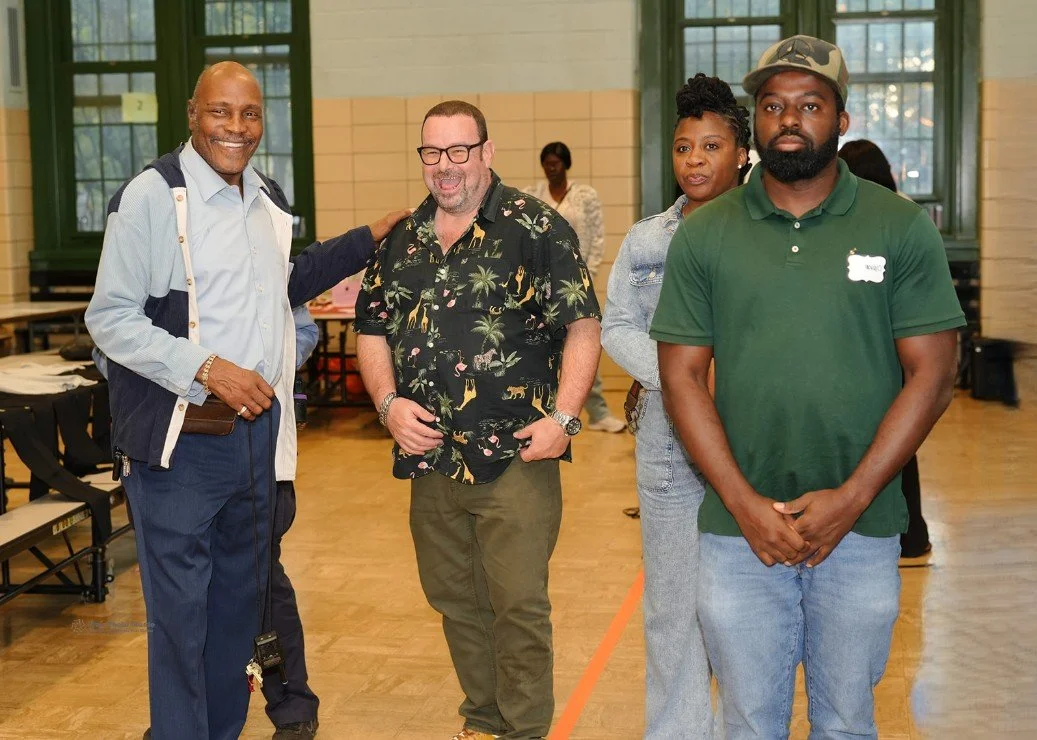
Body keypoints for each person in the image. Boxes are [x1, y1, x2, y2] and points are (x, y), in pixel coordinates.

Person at [650, 36, 965, 737]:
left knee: (847, 721)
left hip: (861, 527)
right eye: (772, 106)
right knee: (749, 721)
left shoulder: (896, 226)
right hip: (740, 532)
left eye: (809, 104)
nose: (789, 119)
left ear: (841, 119)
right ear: (754, 123)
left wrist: (852, 498)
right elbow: (681, 378)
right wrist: (742, 502)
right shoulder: (707, 236)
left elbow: (933, 373)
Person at [85, 61, 408, 740]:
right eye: (220, 112)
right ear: (191, 113)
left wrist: (368, 237)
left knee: (238, 611)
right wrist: (206, 367)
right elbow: (111, 318)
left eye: (250, 114)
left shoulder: (265, 197)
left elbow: (283, 282)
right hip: (180, 443)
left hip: (256, 442)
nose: (236, 127)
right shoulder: (149, 197)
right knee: (181, 619)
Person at [354, 100, 601, 740]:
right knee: (455, 600)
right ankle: (483, 718)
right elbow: (373, 329)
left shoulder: (536, 228)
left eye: (459, 151)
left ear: (486, 152)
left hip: (516, 456)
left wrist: (565, 419)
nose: (446, 168)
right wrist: (386, 405)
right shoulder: (404, 238)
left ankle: (524, 730)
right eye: (432, 153)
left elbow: (582, 326)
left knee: (516, 604)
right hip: (430, 456)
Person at [601, 73, 750, 739]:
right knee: (671, 610)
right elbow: (617, 327)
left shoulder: (771, 236)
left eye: (710, 146)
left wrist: (731, 377)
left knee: (743, 607)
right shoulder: (646, 240)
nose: (694, 160)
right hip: (667, 449)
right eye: (683, 146)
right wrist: (683, 376)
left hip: (754, 446)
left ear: (741, 154)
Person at [838, 138, 933, 559]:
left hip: (887, 353)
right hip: (886, 352)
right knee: (899, 447)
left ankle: (908, 535)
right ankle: (911, 536)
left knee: (891, 446)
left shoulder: (898, 219)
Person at [524, 142, 626, 433]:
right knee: (542, 345)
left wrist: (586, 276)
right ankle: (547, 409)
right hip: (540, 283)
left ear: (566, 164)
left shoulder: (585, 196)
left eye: (555, 163)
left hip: (575, 283)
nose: (550, 168)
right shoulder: (533, 195)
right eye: (546, 163)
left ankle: (598, 412)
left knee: (583, 341)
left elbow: (596, 239)